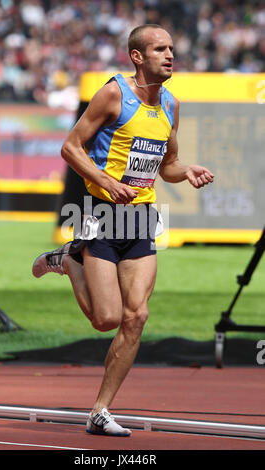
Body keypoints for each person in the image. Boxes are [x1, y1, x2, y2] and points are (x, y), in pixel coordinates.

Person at [32, 24, 214, 437]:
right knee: (105, 318)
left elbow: (166, 165)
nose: (170, 55)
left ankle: (100, 410)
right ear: (137, 56)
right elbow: (70, 146)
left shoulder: (171, 104)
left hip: (140, 217)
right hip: (99, 212)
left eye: (172, 48)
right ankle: (69, 259)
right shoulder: (114, 93)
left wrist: (187, 170)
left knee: (136, 317)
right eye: (160, 49)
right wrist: (107, 181)